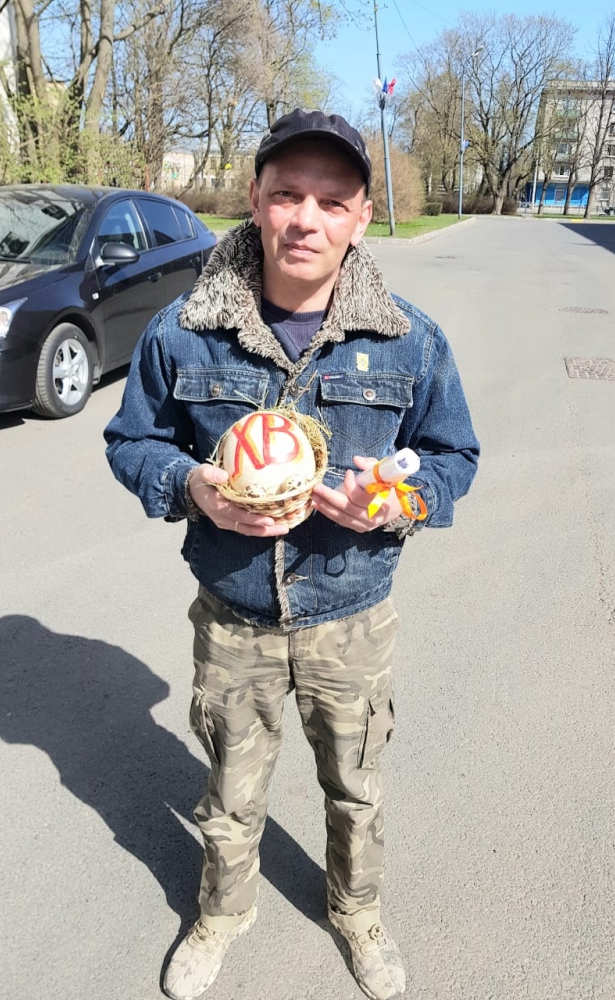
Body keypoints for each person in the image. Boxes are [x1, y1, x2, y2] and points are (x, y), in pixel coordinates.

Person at [104, 108, 480, 1000]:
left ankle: (357, 911)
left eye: (331, 201)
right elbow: (131, 441)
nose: (305, 219)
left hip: (351, 616)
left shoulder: (409, 340)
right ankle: (222, 914)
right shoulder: (183, 332)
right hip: (234, 617)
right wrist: (191, 486)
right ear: (255, 200)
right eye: (287, 195)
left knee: (355, 785)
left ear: (361, 217)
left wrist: (394, 502)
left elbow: (453, 457)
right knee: (230, 791)